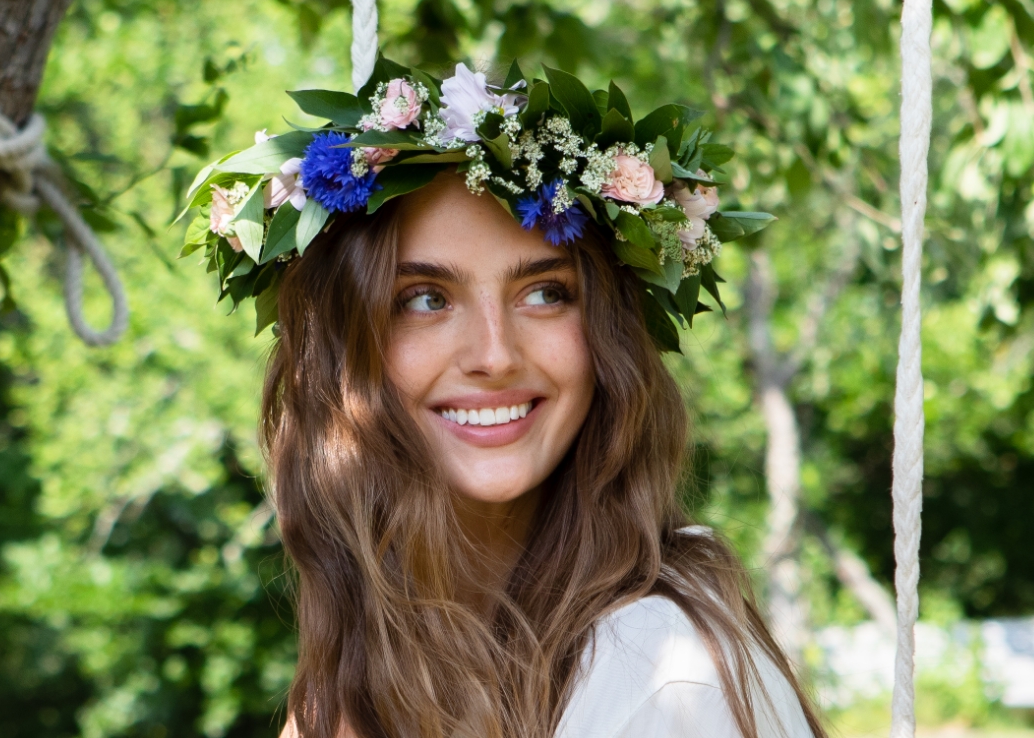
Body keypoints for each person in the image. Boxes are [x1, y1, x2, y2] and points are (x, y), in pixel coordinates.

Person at [185, 59, 819, 738]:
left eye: (545, 293)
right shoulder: (382, 647)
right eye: (425, 300)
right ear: (343, 356)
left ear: (608, 338)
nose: (494, 354)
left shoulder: (664, 671)